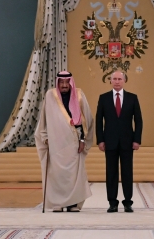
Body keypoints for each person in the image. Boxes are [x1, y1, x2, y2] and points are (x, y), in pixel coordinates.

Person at [36, 71, 93, 212]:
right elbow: (43, 119)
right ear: (57, 83)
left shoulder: (79, 95)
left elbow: (86, 119)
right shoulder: (50, 96)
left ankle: (73, 204)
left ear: (71, 82)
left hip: (74, 143)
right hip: (56, 143)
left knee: (73, 175)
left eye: (67, 82)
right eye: (61, 82)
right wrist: (45, 138)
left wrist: (82, 140)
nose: (64, 85)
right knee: (57, 174)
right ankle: (58, 203)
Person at [96, 70, 142, 213]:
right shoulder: (103, 98)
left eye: (119, 79)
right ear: (110, 81)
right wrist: (100, 140)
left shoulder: (132, 98)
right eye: (114, 79)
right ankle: (112, 202)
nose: (116, 81)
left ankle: (128, 202)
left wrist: (137, 140)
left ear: (124, 81)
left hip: (128, 142)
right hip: (109, 141)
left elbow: (139, 121)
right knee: (111, 173)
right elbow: (98, 121)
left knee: (127, 172)